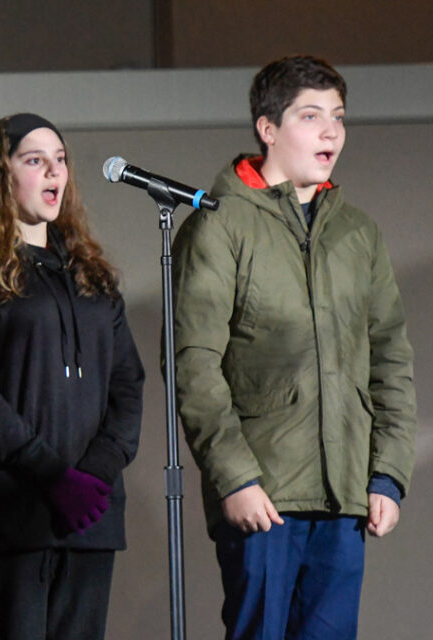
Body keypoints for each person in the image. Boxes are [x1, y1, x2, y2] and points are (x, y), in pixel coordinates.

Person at [171, 55, 417, 640]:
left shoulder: (357, 232)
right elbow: (193, 363)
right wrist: (234, 477)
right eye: (311, 116)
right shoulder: (220, 224)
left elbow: (391, 359)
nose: (331, 131)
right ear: (268, 129)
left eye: (338, 116)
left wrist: (387, 476)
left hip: (344, 494)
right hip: (265, 493)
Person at [0, 113, 144, 640]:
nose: (53, 171)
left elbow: (128, 387)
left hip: (91, 517)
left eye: (59, 160)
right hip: (17, 514)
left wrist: (95, 475)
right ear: (1, 174)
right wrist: (53, 475)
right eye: (35, 160)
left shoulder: (93, 276)